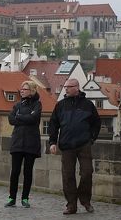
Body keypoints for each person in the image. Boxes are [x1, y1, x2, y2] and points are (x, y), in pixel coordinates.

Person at [48, 79, 100, 215]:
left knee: (87, 172)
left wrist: (92, 138)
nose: (66, 89)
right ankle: (71, 205)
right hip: (66, 145)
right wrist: (52, 142)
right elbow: (53, 124)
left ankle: (85, 200)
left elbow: (96, 123)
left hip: (84, 144)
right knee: (68, 175)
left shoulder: (88, 105)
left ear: (77, 87)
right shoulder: (60, 105)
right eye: (65, 87)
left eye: (69, 87)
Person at [5, 80, 42, 208]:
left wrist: (19, 117)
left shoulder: (37, 104)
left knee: (28, 172)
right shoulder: (17, 105)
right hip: (17, 142)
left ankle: (25, 198)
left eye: (25, 89)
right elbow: (11, 119)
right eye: (21, 89)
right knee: (14, 171)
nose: (22, 91)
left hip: (31, 142)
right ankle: (12, 197)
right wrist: (24, 117)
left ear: (31, 91)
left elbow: (34, 119)